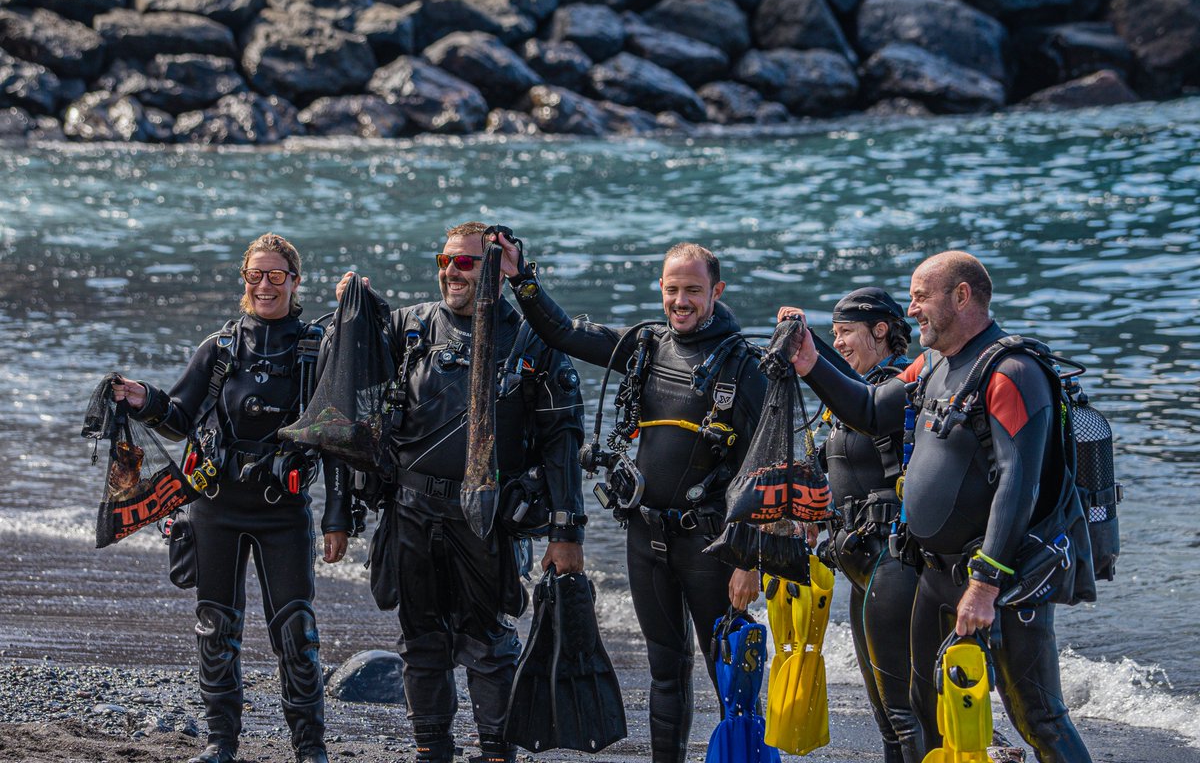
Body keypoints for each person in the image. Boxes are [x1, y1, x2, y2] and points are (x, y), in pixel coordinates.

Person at [783, 251, 1092, 763]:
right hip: (932, 574)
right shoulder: (931, 365)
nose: (911, 309)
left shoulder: (1012, 371)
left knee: (1037, 717)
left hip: (1000, 581)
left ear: (962, 296)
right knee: (927, 717)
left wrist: (986, 584)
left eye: (921, 297)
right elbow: (866, 410)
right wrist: (811, 363)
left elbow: (1020, 484)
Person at [496, 236, 768, 763]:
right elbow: (564, 332)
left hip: (711, 544)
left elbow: (762, 469)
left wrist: (749, 560)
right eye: (672, 290)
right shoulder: (646, 346)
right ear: (660, 290)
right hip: (646, 536)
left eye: (693, 290)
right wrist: (519, 277)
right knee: (665, 669)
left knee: (729, 675)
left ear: (718, 290)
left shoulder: (743, 366)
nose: (681, 301)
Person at [334, 221, 586, 763]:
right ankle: (433, 750)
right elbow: (341, 387)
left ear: (494, 268)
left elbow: (563, 442)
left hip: (489, 518)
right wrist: (352, 309)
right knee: (421, 642)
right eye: (445, 260)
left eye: (467, 262)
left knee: (490, 644)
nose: (452, 271)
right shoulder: (406, 328)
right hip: (412, 512)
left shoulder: (532, 343)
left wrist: (567, 533)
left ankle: (497, 752)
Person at [112, 233, 349, 763]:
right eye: (255, 275)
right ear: (245, 280)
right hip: (214, 508)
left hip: (283, 512)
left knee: (297, 634)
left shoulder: (317, 349)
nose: (265, 285)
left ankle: (310, 748)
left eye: (276, 275)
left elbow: (334, 440)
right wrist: (141, 397)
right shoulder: (220, 348)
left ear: (294, 281)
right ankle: (221, 742)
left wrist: (338, 516)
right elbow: (177, 417)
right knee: (215, 628)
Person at [818, 287, 921, 763]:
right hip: (860, 569)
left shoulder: (899, 389)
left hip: (896, 563)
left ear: (881, 330)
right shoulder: (852, 396)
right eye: (832, 334)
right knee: (884, 716)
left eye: (846, 333)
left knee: (907, 715)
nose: (838, 342)